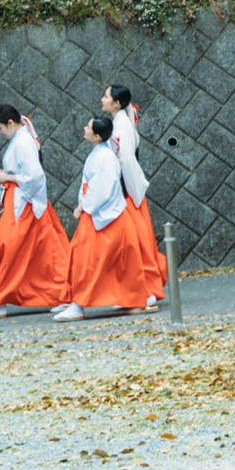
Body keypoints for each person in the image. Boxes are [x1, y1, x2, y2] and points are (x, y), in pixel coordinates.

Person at [0, 107, 70, 316]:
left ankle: (0, 299)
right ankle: (56, 294)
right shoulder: (22, 139)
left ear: (10, 123)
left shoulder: (23, 142)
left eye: (0, 127)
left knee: (7, 248)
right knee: (41, 251)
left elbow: (35, 177)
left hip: (23, 202)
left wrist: (7, 178)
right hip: (22, 201)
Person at [54, 115, 148, 321]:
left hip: (103, 216)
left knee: (85, 260)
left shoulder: (104, 157)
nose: (84, 129)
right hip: (106, 216)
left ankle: (80, 304)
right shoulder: (101, 154)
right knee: (117, 262)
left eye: (88, 127)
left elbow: (103, 189)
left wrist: (85, 206)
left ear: (97, 136)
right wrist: (84, 204)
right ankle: (127, 300)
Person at [101, 82, 168, 305]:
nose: (103, 99)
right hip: (125, 189)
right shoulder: (120, 123)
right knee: (133, 243)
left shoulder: (122, 127)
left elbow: (127, 160)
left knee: (136, 243)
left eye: (106, 96)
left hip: (126, 191)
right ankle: (135, 288)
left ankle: (145, 288)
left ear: (116, 103)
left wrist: (126, 192)